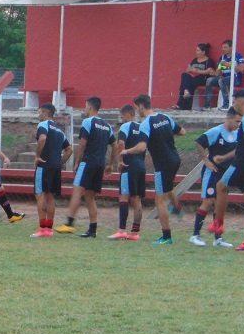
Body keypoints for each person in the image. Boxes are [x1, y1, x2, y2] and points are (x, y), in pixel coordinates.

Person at [121, 94, 186, 245]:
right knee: (167, 186)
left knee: (159, 200)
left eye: (137, 108)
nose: (137, 111)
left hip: (163, 164)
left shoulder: (145, 123)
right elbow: (182, 132)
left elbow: (142, 146)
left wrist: (127, 151)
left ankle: (166, 236)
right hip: (175, 159)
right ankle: (177, 207)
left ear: (141, 106)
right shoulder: (165, 117)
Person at [55, 97, 116, 238]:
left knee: (77, 190)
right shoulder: (107, 126)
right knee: (90, 197)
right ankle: (93, 229)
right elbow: (114, 145)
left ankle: (69, 223)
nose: (85, 108)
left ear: (90, 107)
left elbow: (82, 143)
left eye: (85, 106)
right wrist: (111, 164)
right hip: (100, 164)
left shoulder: (88, 122)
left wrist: (77, 162)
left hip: (88, 162)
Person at [213, 89, 244, 252]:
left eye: (234, 102)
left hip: (242, 164)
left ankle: (218, 224)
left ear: (240, 103)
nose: (233, 104)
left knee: (221, 186)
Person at [189, 109, 240, 247]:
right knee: (208, 201)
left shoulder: (237, 134)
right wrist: (206, 160)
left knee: (220, 204)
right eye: (236, 121)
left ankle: (218, 238)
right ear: (228, 117)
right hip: (212, 172)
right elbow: (199, 143)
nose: (238, 125)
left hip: (225, 174)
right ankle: (195, 235)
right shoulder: (216, 132)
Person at [31, 103, 72, 238]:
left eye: (39, 112)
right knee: (50, 197)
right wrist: (59, 162)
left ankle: (42, 228)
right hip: (55, 165)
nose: (38, 115)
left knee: (40, 194)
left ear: (44, 113)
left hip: (45, 164)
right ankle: (49, 229)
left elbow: (42, 138)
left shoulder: (43, 125)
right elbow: (70, 150)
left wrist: (37, 156)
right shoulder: (59, 130)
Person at [109, 104, 145, 241]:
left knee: (124, 197)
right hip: (140, 166)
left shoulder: (126, 127)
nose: (122, 120)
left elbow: (121, 144)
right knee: (136, 198)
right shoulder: (143, 127)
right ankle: (135, 232)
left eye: (122, 117)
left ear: (128, 115)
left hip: (129, 166)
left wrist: (120, 160)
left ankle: (122, 230)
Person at [204, 39, 244, 112]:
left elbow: (241, 69)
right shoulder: (222, 58)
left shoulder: (238, 56)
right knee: (209, 80)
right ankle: (207, 105)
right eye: (222, 47)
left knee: (222, 80)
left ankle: (226, 104)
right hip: (224, 79)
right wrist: (213, 73)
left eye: (225, 47)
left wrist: (228, 65)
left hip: (236, 79)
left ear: (231, 47)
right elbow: (218, 73)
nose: (223, 49)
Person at [175, 43, 215, 111]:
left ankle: (180, 104)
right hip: (192, 78)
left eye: (198, 50)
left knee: (185, 84)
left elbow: (208, 71)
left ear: (203, 52)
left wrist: (196, 70)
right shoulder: (194, 60)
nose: (196, 52)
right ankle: (186, 93)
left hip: (202, 79)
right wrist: (189, 69)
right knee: (184, 76)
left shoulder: (209, 60)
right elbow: (188, 70)